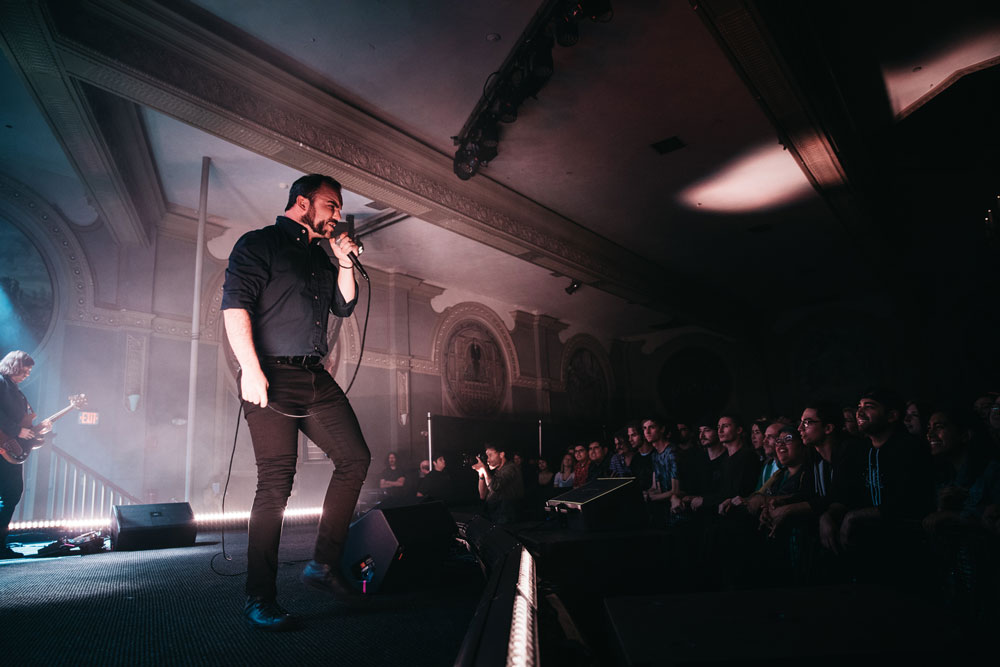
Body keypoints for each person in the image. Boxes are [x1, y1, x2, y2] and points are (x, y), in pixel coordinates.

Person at [222, 173, 371, 631]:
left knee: (354, 458)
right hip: (269, 372)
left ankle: (323, 566)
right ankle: (259, 596)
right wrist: (250, 369)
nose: (338, 215)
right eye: (332, 204)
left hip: (313, 375)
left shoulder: (322, 257)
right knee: (275, 483)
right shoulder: (260, 244)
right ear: (304, 204)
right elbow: (235, 307)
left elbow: (345, 306)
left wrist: (344, 260)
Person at [0, 351, 51, 559]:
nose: (28, 374)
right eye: (25, 370)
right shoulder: (2, 383)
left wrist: (37, 432)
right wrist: (16, 430)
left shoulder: (16, 391)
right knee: (10, 493)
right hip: (3, 446)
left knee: (11, 493)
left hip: (10, 449)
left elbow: (23, 425)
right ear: (14, 366)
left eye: (30, 371)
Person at [473, 443, 524, 524]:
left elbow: (494, 487)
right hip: (495, 514)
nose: (488, 459)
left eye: (490, 455)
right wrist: (481, 474)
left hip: (506, 518)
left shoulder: (511, 468)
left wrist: (485, 470)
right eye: (487, 456)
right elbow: (482, 495)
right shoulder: (498, 470)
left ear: (501, 454)